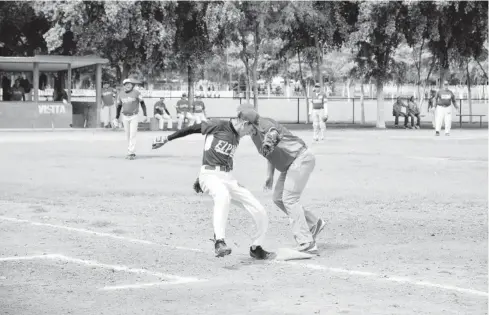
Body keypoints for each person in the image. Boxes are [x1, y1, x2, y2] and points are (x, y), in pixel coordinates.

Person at [151, 118, 273, 260]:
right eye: (250, 130)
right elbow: (192, 128)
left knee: (260, 210)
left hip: (228, 178)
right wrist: (167, 138)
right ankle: (219, 242)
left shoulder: (236, 136)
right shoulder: (218, 125)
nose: (248, 134)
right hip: (210, 175)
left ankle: (256, 248)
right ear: (245, 123)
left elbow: (217, 153)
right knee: (223, 196)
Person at [237, 104, 327, 254]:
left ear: (248, 123)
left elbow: (273, 132)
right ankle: (313, 223)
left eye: (242, 122)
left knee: (289, 199)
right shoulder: (254, 136)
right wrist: (270, 176)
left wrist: (270, 139)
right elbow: (269, 154)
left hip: (300, 158)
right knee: (278, 198)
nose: (240, 127)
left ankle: (306, 242)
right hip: (290, 164)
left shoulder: (263, 123)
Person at [114, 76, 148, 160]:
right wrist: (116, 117)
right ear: (124, 85)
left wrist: (145, 115)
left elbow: (142, 103)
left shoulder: (136, 92)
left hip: (134, 116)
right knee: (128, 135)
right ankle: (130, 151)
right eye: (126, 84)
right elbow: (119, 106)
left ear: (132, 85)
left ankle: (131, 152)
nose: (128, 85)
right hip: (125, 116)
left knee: (133, 134)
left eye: (129, 84)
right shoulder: (121, 94)